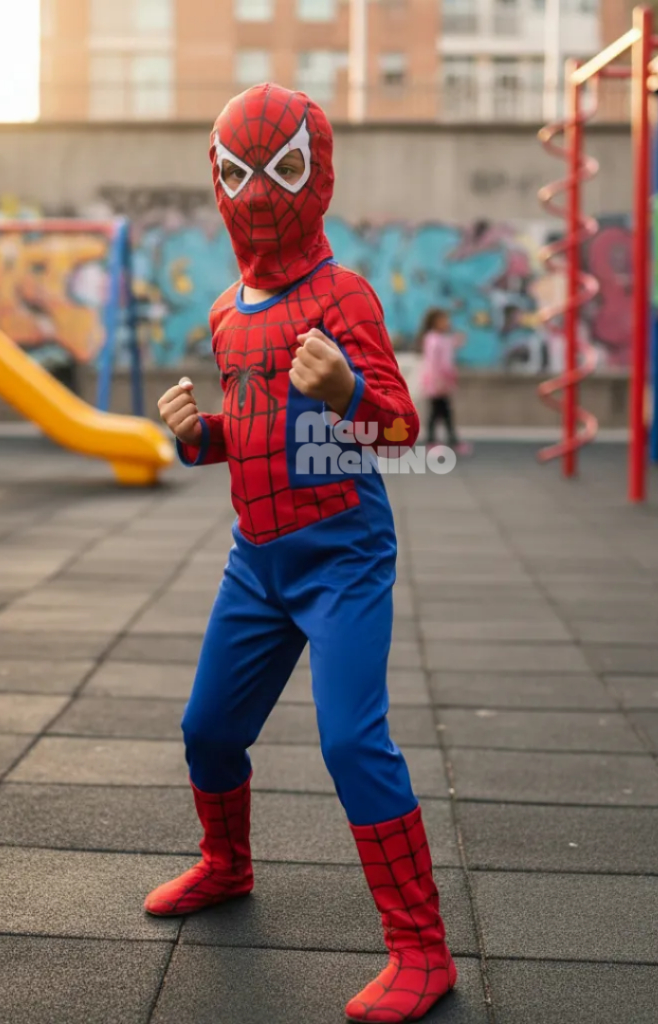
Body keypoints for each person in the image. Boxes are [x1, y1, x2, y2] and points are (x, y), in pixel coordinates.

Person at [151, 83, 457, 1023]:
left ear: (315, 174)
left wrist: (348, 392)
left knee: (352, 740)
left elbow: (404, 429)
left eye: (280, 170)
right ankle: (226, 863)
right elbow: (251, 436)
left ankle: (421, 949)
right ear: (216, 178)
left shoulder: (344, 295)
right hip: (258, 560)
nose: (258, 194)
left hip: (342, 555)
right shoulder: (226, 313)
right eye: (239, 173)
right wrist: (198, 436)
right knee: (207, 729)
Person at [417, 307, 470, 454]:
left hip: (443, 382)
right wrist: (437, 381)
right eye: (443, 320)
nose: (447, 323)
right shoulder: (433, 339)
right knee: (439, 412)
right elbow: (433, 362)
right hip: (437, 383)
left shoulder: (441, 338)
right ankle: (438, 440)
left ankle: (439, 440)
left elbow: (450, 346)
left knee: (441, 412)